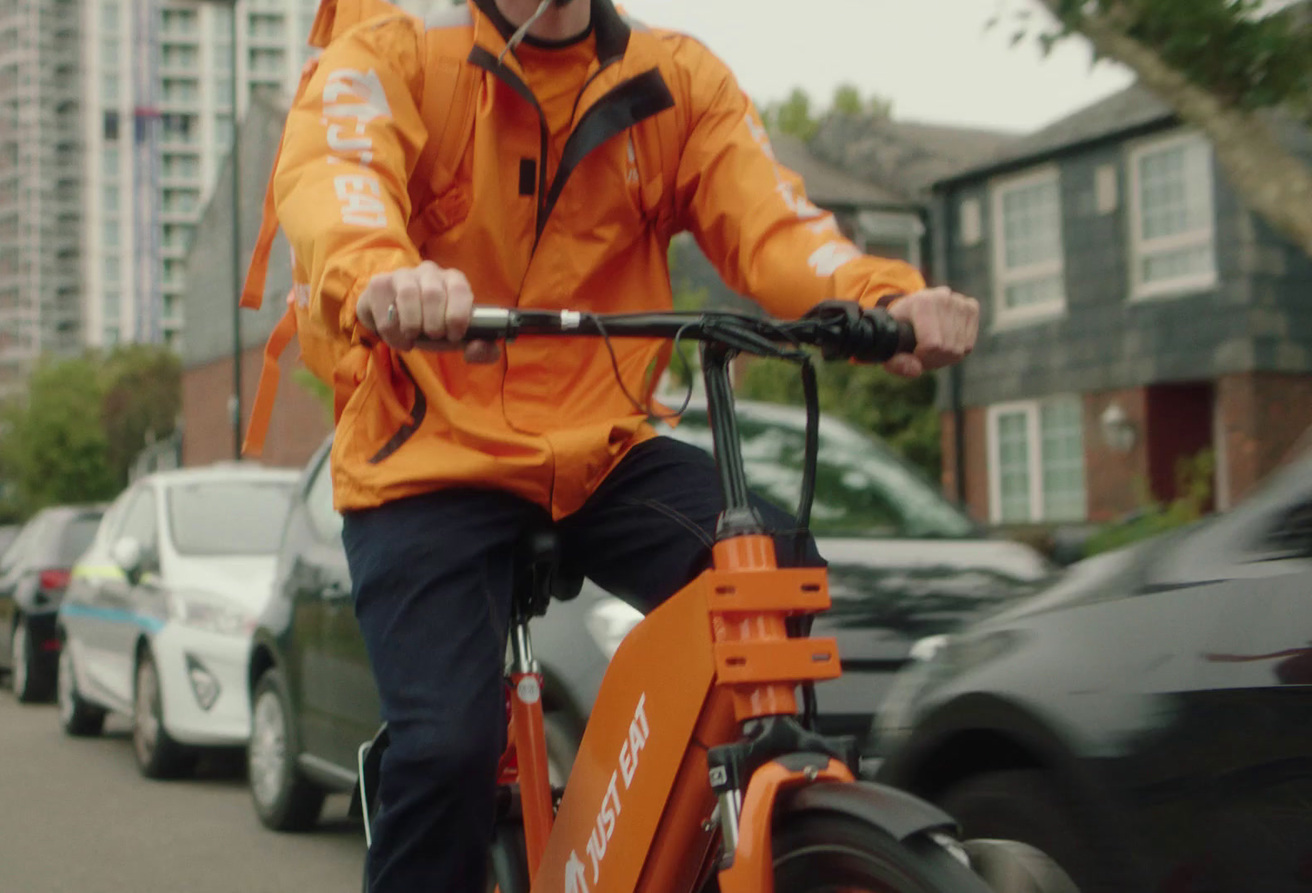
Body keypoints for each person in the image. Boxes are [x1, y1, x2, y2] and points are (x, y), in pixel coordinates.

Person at [271, 0, 981, 888]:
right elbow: (338, 178)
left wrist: (888, 299)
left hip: (598, 450)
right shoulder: (398, 53)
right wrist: (381, 274)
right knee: (447, 749)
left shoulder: (674, 79)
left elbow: (776, 225)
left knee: (769, 565)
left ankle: (669, 833)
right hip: (429, 456)